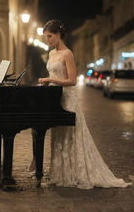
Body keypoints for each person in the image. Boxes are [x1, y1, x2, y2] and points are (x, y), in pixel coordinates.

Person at [36, 20, 131, 189]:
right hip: (54, 98)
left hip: (67, 98)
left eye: (49, 36)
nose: (47, 40)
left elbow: (72, 81)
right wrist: (47, 83)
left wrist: (50, 79)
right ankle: (59, 172)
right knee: (59, 135)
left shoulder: (68, 54)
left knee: (70, 136)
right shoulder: (51, 54)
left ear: (58, 35)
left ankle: (73, 172)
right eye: (45, 37)